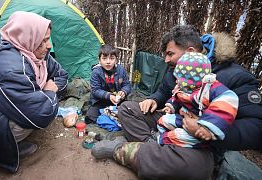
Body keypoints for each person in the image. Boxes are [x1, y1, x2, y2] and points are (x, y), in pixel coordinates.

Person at [91, 25, 262, 179]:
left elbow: (256, 127)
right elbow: (164, 91)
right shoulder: (176, 69)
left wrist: (205, 129)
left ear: (189, 51)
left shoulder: (235, 76)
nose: (165, 60)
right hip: (173, 121)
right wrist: (154, 100)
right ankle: (153, 145)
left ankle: (120, 150)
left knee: (197, 169)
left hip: (202, 144)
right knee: (127, 108)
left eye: (170, 54)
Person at [0, 11, 68, 172]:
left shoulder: (35, 54)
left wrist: (46, 95)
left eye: (48, 39)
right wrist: (49, 93)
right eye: (43, 40)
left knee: (40, 106)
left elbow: (61, 75)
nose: (49, 45)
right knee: (37, 114)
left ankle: (6, 140)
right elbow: (40, 115)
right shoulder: (9, 66)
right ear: (27, 37)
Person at [157, 52, 238, 148]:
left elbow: (225, 104)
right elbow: (177, 97)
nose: (176, 81)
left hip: (199, 128)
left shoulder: (210, 90)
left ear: (189, 80)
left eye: (179, 79)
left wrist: (207, 127)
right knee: (163, 121)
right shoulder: (185, 88)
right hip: (184, 119)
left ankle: (162, 143)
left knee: (177, 136)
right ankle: (162, 139)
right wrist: (171, 106)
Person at [85, 44, 131, 124]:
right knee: (90, 117)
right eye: (104, 58)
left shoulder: (121, 70)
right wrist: (109, 96)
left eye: (111, 58)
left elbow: (127, 84)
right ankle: (107, 113)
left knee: (129, 111)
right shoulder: (96, 72)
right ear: (99, 60)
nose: (108, 62)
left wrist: (123, 92)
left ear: (116, 60)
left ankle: (112, 112)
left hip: (117, 100)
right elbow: (95, 90)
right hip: (100, 100)